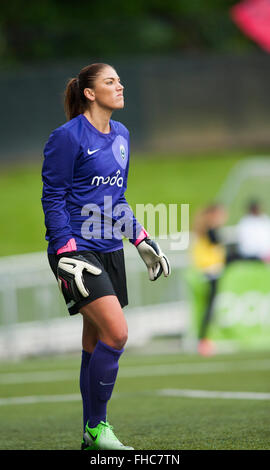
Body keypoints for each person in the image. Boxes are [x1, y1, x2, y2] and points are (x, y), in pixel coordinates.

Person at [41, 63, 170, 451]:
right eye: (110, 81)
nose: (120, 85)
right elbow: (53, 196)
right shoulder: (66, 137)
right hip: (75, 250)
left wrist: (140, 238)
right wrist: (65, 250)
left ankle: (88, 435)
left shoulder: (123, 135)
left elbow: (117, 199)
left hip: (110, 246)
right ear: (90, 93)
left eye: (120, 80)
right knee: (117, 333)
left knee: (95, 343)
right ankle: (98, 428)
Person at [191, 204, 227, 356]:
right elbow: (217, 241)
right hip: (210, 272)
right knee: (208, 310)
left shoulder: (202, 229)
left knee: (206, 309)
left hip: (204, 272)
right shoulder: (209, 229)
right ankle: (204, 341)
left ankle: (204, 339)